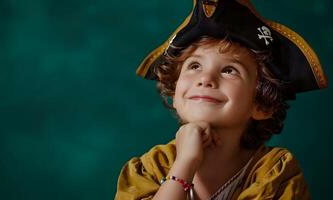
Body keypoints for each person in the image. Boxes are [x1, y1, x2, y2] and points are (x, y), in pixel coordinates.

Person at [115, 0, 328, 199]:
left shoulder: (275, 173)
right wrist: (184, 165)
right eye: (194, 66)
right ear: (174, 93)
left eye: (229, 70)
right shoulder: (150, 168)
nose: (205, 78)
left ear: (262, 104)